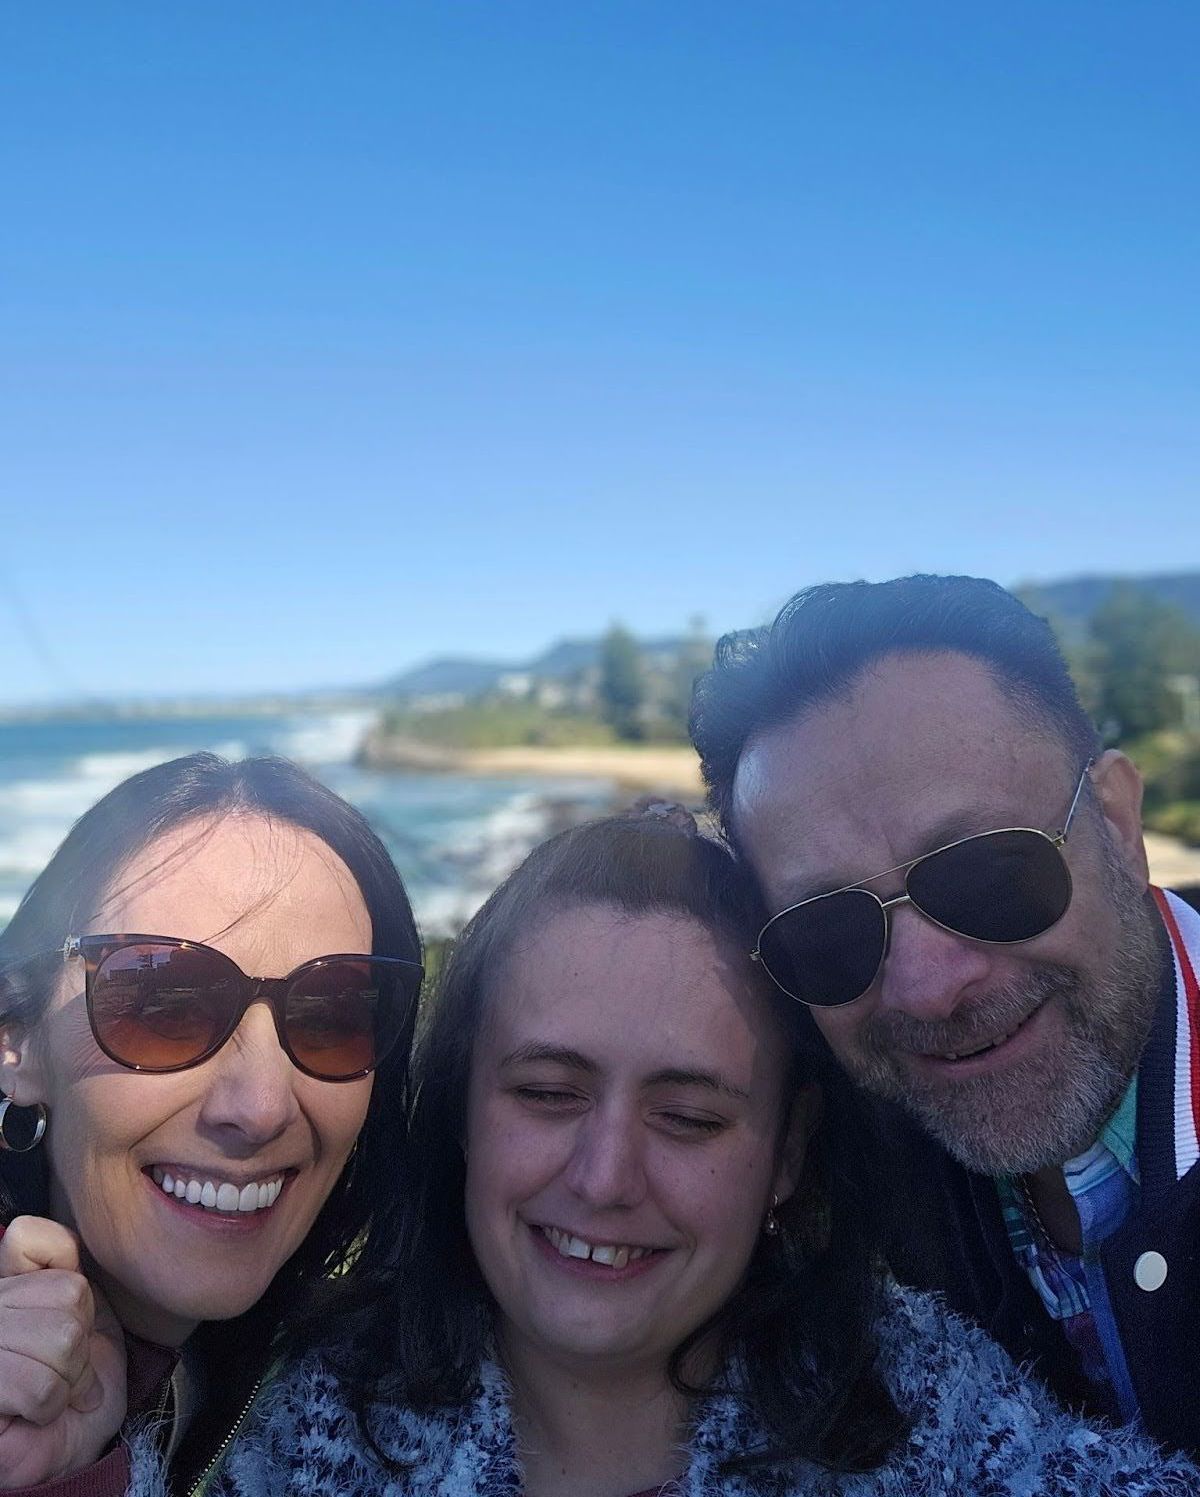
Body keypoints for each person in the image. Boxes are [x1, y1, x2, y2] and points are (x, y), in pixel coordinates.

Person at [217, 810, 1199, 1496]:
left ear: (787, 1153)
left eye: (688, 1118)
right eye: (548, 1094)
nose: (604, 1179)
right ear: (464, 1110)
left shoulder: (919, 1413)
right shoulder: (316, 1430)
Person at [688, 572, 1200, 1459]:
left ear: (1118, 822)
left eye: (986, 872)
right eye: (830, 930)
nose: (929, 986)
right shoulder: (837, 1169)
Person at [0, 752, 423, 1494]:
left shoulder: (386, 1405)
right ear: (16, 1042)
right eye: (163, 1003)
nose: (260, 1106)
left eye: (333, 1015)